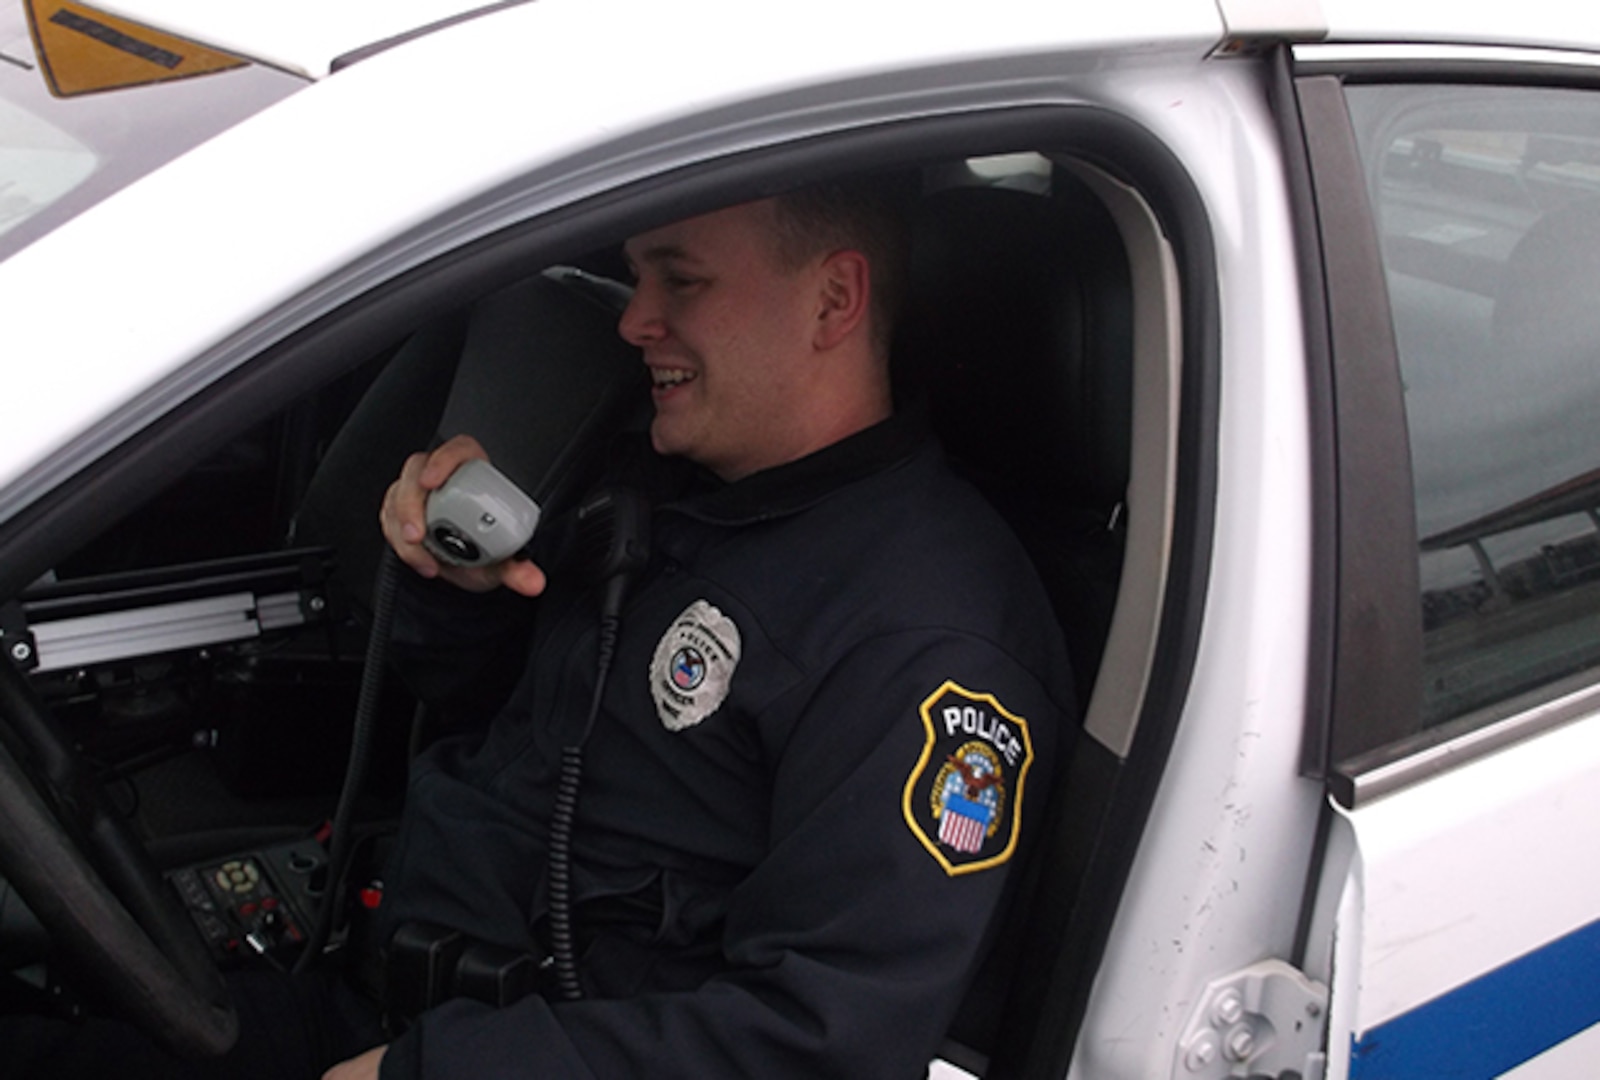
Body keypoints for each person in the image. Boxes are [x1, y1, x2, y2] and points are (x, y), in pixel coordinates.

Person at [328, 184, 1075, 1079]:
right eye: (635, 278)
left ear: (834, 301)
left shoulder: (929, 638)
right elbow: (502, 725)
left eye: (682, 283)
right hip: (390, 983)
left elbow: (816, 1045)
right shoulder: (671, 482)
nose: (635, 321)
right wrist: (451, 584)